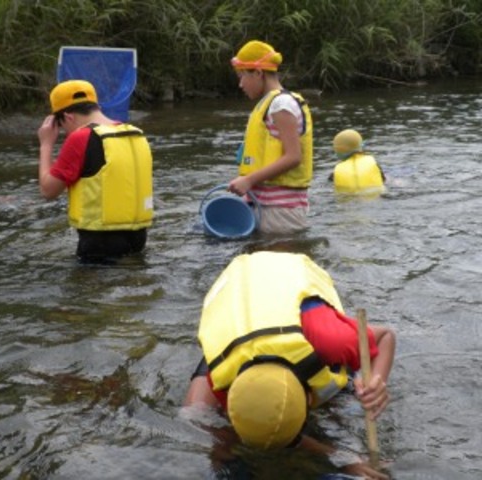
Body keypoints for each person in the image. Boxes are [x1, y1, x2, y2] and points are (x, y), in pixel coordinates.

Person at [184, 251, 396, 479]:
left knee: (339, 404)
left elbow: (386, 337)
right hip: (240, 316)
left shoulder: (329, 341)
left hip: (295, 292)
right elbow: (276, 436)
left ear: (307, 399)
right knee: (219, 442)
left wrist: (375, 382)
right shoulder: (218, 378)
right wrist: (339, 456)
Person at [37, 80, 154, 261]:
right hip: (138, 237)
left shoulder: (80, 137)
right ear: (96, 106)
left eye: (61, 127)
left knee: (90, 289)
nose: (64, 132)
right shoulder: (135, 134)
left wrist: (46, 144)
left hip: (99, 242)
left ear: (68, 117)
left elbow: (48, 191)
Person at [228, 40, 313, 235]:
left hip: (281, 211)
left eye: (242, 76)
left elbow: (293, 156)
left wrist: (249, 180)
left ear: (258, 73)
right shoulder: (269, 104)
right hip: (265, 205)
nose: (240, 84)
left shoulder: (281, 105)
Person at [330, 129, 386, 195]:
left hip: (348, 199)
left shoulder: (337, 170)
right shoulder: (373, 163)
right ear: (360, 146)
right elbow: (384, 180)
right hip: (375, 196)